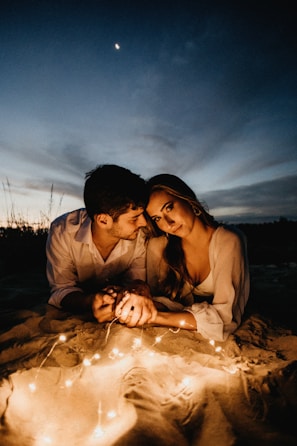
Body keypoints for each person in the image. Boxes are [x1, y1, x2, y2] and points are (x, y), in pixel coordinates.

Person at [136, 173, 250, 341]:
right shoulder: (160, 246)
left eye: (169, 208)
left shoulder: (228, 240)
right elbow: (160, 299)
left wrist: (155, 317)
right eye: (157, 218)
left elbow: (225, 319)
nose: (168, 223)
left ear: (188, 200)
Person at [46, 164, 157, 326]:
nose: (143, 222)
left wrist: (138, 289)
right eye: (134, 218)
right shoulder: (62, 232)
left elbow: (137, 280)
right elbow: (61, 290)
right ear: (103, 220)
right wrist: (90, 302)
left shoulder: (139, 235)